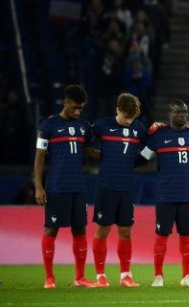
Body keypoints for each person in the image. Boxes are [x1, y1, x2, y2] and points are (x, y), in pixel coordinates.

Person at [143, 99, 189, 288]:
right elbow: (143, 157)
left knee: (187, 236)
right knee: (162, 235)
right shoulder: (159, 135)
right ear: (169, 114)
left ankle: (187, 276)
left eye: (184, 112)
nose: (182, 115)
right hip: (165, 194)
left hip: (187, 195)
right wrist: (144, 136)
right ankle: (158, 276)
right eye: (178, 112)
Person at [34, 85, 98, 288]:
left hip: (78, 187)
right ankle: (49, 278)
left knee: (79, 229)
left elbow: (92, 152)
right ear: (66, 103)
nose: (78, 111)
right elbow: (39, 157)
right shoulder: (48, 126)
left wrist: (115, 152)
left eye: (81, 108)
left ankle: (80, 278)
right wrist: (39, 186)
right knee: (51, 229)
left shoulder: (84, 126)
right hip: (56, 187)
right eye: (75, 107)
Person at [90, 93, 148, 287]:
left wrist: (132, 163)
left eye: (131, 118)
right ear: (117, 110)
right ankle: (100, 276)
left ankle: (125, 276)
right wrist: (98, 156)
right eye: (125, 117)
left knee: (125, 232)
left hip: (126, 187)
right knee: (103, 230)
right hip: (106, 186)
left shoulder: (139, 129)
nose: (128, 121)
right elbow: (85, 139)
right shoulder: (102, 125)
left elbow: (149, 150)